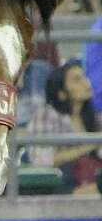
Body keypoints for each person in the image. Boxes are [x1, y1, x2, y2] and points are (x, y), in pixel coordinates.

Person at [29, 61, 102, 193]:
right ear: (62, 93)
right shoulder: (46, 115)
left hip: (90, 178)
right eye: (77, 80)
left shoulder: (94, 117)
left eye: (84, 77)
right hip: (60, 182)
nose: (86, 83)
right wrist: (89, 146)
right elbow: (41, 160)